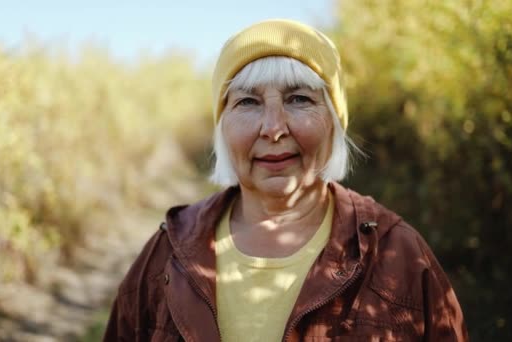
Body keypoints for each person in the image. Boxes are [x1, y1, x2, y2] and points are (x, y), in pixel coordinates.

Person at [103, 19, 468, 341]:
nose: (274, 128)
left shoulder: (397, 254)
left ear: (333, 122)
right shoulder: (168, 254)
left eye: (298, 99)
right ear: (223, 126)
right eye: (248, 103)